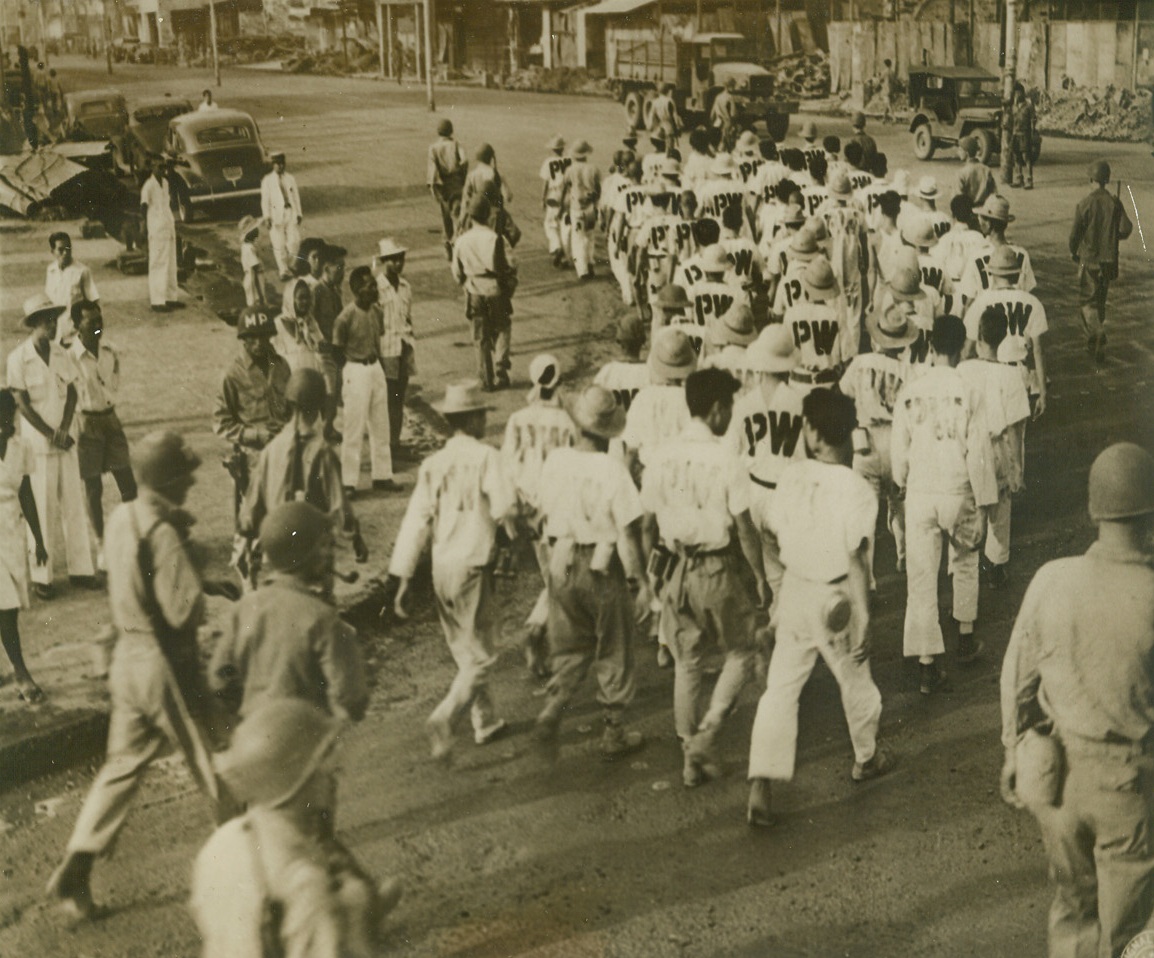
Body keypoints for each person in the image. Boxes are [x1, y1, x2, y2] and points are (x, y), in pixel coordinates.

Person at [48, 431, 239, 921]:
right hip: (164, 663)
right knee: (211, 757)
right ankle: (251, 860)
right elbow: (182, 612)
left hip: (126, 660)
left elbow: (136, 580)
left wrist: (197, 576)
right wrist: (201, 585)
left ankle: (78, 862)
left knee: (121, 768)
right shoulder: (164, 532)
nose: (190, 485)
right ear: (170, 480)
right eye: (186, 478)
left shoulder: (121, 518)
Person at [998, 442, 1154, 958]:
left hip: (1057, 780)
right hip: (1125, 786)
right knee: (1127, 928)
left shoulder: (1052, 578)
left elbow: (1016, 675)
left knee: (1072, 906)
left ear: (1094, 512)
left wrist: (1011, 747)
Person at [746, 389, 889, 827]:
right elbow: (856, 558)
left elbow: (768, 531)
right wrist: (863, 616)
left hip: (794, 588)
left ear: (810, 432)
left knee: (781, 688)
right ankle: (866, 757)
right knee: (855, 677)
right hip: (834, 597)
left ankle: (761, 784)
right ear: (848, 432)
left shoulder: (790, 477)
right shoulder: (858, 489)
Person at [192, 700, 402, 958]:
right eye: (324, 766)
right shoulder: (304, 882)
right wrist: (357, 932)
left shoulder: (221, 844)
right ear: (302, 782)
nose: (335, 774)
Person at [640, 368, 764, 787]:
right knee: (742, 651)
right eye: (727, 408)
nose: (730, 415)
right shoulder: (724, 457)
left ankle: (688, 757)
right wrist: (759, 575)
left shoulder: (662, 454)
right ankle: (708, 732)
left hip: (674, 566)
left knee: (687, 662)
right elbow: (744, 528)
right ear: (715, 411)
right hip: (714, 566)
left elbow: (647, 522)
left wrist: (649, 577)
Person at [390, 381, 517, 760]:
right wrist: (512, 536)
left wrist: (403, 577)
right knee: (482, 654)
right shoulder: (486, 457)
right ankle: (446, 716)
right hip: (473, 563)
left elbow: (416, 522)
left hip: (441, 567)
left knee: (465, 648)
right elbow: (505, 507)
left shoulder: (433, 465)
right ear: (475, 419)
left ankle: (486, 720)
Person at [534, 385, 652, 760]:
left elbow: (541, 515)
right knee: (614, 646)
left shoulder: (555, 462)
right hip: (600, 565)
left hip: (561, 561)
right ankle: (613, 731)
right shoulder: (612, 470)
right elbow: (628, 533)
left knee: (570, 644)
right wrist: (641, 582)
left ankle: (553, 706)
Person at [892, 314, 997, 695]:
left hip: (921, 490)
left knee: (921, 577)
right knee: (966, 560)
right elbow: (980, 453)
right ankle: (965, 637)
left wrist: (901, 482)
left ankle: (926, 663)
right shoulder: (968, 389)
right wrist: (985, 504)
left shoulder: (911, 389)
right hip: (959, 488)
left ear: (932, 346)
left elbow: (898, 451)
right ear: (962, 346)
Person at [211, 500, 368, 724]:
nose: (330, 554)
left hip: (253, 737)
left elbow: (219, 679)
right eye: (327, 546)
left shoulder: (243, 609)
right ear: (316, 552)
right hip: (305, 738)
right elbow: (352, 697)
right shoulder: (322, 618)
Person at [237, 368, 366, 584]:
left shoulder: (271, 449)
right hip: (310, 553)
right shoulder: (321, 451)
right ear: (319, 406)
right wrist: (356, 538)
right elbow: (340, 508)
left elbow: (251, 508)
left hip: (276, 550)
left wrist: (250, 542)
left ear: (289, 402)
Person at [6, 294, 98, 600]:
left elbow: (71, 392)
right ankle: (42, 576)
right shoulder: (18, 358)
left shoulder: (62, 354)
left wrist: (65, 427)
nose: (52, 323)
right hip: (37, 446)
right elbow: (21, 404)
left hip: (65, 439)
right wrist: (50, 433)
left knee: (73, 505)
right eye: (46, 319)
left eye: (54, 318)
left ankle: (82, 569)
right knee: (42, 508)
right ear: (33, 324)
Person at [501, 354, 577, 678]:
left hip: (529, 508)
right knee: (560, 579)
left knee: (553, 578)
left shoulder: (517, 419)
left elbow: (508, 468)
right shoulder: (569, 422)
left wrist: (516, 511)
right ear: (558, 381)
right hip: (559, 510)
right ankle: (538, 631)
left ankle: (543, 637)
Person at [957, 307, 1030, 591]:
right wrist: (1017, 469)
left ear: (978, 338)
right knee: (1001, 505)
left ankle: (960, 562)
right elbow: (1015, 428)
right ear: (1002, 341)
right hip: (997, 446)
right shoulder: (1011, 376)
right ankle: (997, 563)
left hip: (968, 445)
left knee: (968, 501)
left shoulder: (963, 369)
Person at [69, 300, 137, 556]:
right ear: (77, 326)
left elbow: (113, 384)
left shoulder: (110, 350)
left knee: (127, 481)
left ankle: (133, 535)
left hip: (111, 420)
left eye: (100, 320)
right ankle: (101, 543)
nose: (98, 325)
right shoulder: (69, 357)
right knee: (93, 487)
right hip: (86, 423)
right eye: (91, 322)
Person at [213, 305, 291, 526]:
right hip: (253, 456)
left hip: (284, 449)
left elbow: (292, 407)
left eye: (264, 338)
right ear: (243, 340)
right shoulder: (232, 374)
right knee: (256, 517)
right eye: (252, 338)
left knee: (287, 509)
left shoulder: (282, 366)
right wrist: (256, 434)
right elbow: (221, 424)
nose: (259, 344)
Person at [0, 389, 50, 704]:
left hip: (11, 532)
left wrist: (39, 539)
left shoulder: (21, 447)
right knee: (4, 606)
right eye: (3, 418)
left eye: (10, 417)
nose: (9, 424)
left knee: (10, 606)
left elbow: (27, 495)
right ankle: (21, 673)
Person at [333, 266, 395, 494]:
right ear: (358, 290)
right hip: (355, 370)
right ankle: (348, 482)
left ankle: (382, 475)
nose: (375, 290)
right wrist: (349, 375)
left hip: (375, 368)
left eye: (375, 286)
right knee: (353, 428)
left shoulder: (377, 312)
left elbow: (378, 337)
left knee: (381, 424)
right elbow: (337, 351)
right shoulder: (345, 318)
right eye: (370, 286)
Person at [1069, 159, 1133, 366]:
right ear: (1106, 180)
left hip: (1090, 260)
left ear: (1091, 180)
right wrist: (1113, 234)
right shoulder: (1115, 202)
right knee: (1100, 301)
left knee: (1087, 302)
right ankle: (1095, 343)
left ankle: (1097, 333)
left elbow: (1074, 235)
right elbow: (1125, 229)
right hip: (1109, 261)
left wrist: (1074, 252)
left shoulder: (1085, 203)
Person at [452, 196, 518, 392]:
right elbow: (512, 263)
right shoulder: (497, 238)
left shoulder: (462, 240)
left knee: (479, 336)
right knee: (503, 327)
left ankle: (485, 378)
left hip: (474, 290)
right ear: (488, 215)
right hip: (495, 289)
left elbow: (457, 271)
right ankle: (500, 367)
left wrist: (464, 282)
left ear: (470, 216)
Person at [374, 237, 416, 456]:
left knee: (399, 397)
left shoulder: (406, 287)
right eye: (392, 260)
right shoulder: (377, 289)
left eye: (401, 259)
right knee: (388, 398)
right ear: (383, 262)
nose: (398, 264)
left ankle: (395, 442)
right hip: (386, 349)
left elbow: (408, 317)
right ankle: (386, 445)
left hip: (404, 345)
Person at [140, 155, 181, 313]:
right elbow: (143, 207)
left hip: (168, 227)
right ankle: (157, 301)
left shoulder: (165, 183)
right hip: (156, 229)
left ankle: (171, 297)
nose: (162, 170)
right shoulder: (149, 185)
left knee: (171, 263)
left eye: (163, 167)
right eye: (158, 167)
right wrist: (145, 227)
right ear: (152, 167)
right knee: (158, 263)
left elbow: (167, 204)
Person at [44, 231, 99, 341]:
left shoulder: (82, 271)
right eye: (60, 249)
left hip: (76, 332)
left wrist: (91, 331)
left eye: (68, 248)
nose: (65, 252)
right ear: (52, 251)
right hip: (56, 333)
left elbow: (93, 302)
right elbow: (49, 301)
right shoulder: (51, 270)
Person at [560, 140, 601, 280]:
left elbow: (565, 189)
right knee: (589, 236)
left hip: (576, 206)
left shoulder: (570, 170)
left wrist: (562, 207)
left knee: (578, 238)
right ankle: (590, 262)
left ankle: (582, 270)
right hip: (590, 206)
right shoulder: (593, 168)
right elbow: (598, 189)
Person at [428, 118, 468, 258]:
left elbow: (432, 170)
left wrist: (433, 188)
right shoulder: (456, 144)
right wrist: (463, 177)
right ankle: (458, 244)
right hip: (456, 183)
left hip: (443, 185)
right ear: (451, 131)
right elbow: (464, 161)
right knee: (458, 215)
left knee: (446, 217)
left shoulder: (433, 148)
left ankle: (447, 245)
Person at [260, 151, 303, 281]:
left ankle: (291, 266)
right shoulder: (267, 180)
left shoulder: (290, 178)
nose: (280, 166)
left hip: (290, 212)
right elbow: (265, 200)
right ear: (273, 165)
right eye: (277, 164)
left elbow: (295, 196)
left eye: (282, 164)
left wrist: (299, 213)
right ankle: (283, 270)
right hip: (275, 216)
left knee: (294, 242)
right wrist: (267, 217)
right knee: (279, 244)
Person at [274, 278, 324, 375]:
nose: (305, 301)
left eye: (307, 297)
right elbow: (272, 361)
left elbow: (320, 352)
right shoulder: (277, 324)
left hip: (313, 378)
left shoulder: (311, 322)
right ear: (290, 300)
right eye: (301, 298)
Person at [540, 134, 572, 269]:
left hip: (553, 195)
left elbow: (546, 183)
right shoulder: (570, 161)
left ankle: (557, 246)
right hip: (567, 196)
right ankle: (566, 255)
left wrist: (542, 198)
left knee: (550, 224)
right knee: (565, 225)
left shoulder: (548, 162)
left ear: (553, 149)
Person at [956, 136, 996, 209]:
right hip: (984, 211)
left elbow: (958, 198)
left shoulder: (962, 172)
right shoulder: (986, 169)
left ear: (966, 153)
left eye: (960, 149)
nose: (957, 152)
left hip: (968, 210)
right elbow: (993, 193)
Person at [1008, 84, 1035, 190]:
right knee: (1016, 157)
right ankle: (1019, 179)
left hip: (1025, 134)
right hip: (1015, 135)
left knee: (1026, 157)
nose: (1016, 95)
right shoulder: (1014, 107)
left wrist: (1033, 135)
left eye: (1017, 93)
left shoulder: (1028, 106)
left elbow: (1033, 121)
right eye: (1014, 93)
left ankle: (1029, 180)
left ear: (1022, 93)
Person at [237, 215, 266, 307]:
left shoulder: (248, 246)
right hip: (253, 279)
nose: (258, 233)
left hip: (253, 277)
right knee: (256, 301)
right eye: (256, 231)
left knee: (255, 301)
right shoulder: (249, 248)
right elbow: (255, 267)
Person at [710, 77, 739, 153]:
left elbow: (712, 114)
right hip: (728, 123)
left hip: (718, 123)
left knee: (719, 144)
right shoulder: (730, 97)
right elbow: (733, 113)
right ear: (731, 86)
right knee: (729, 146)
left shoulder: (718, 97)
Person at [650, 83, 682, 149]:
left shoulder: (655, 102)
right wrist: (678, 127)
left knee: (660, 148)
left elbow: (651, 116)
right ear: (667, 91)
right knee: (670, 148)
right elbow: (675, 116)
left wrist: (651, 127)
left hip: (660, 128)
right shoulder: (670, 101)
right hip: (669, 128)